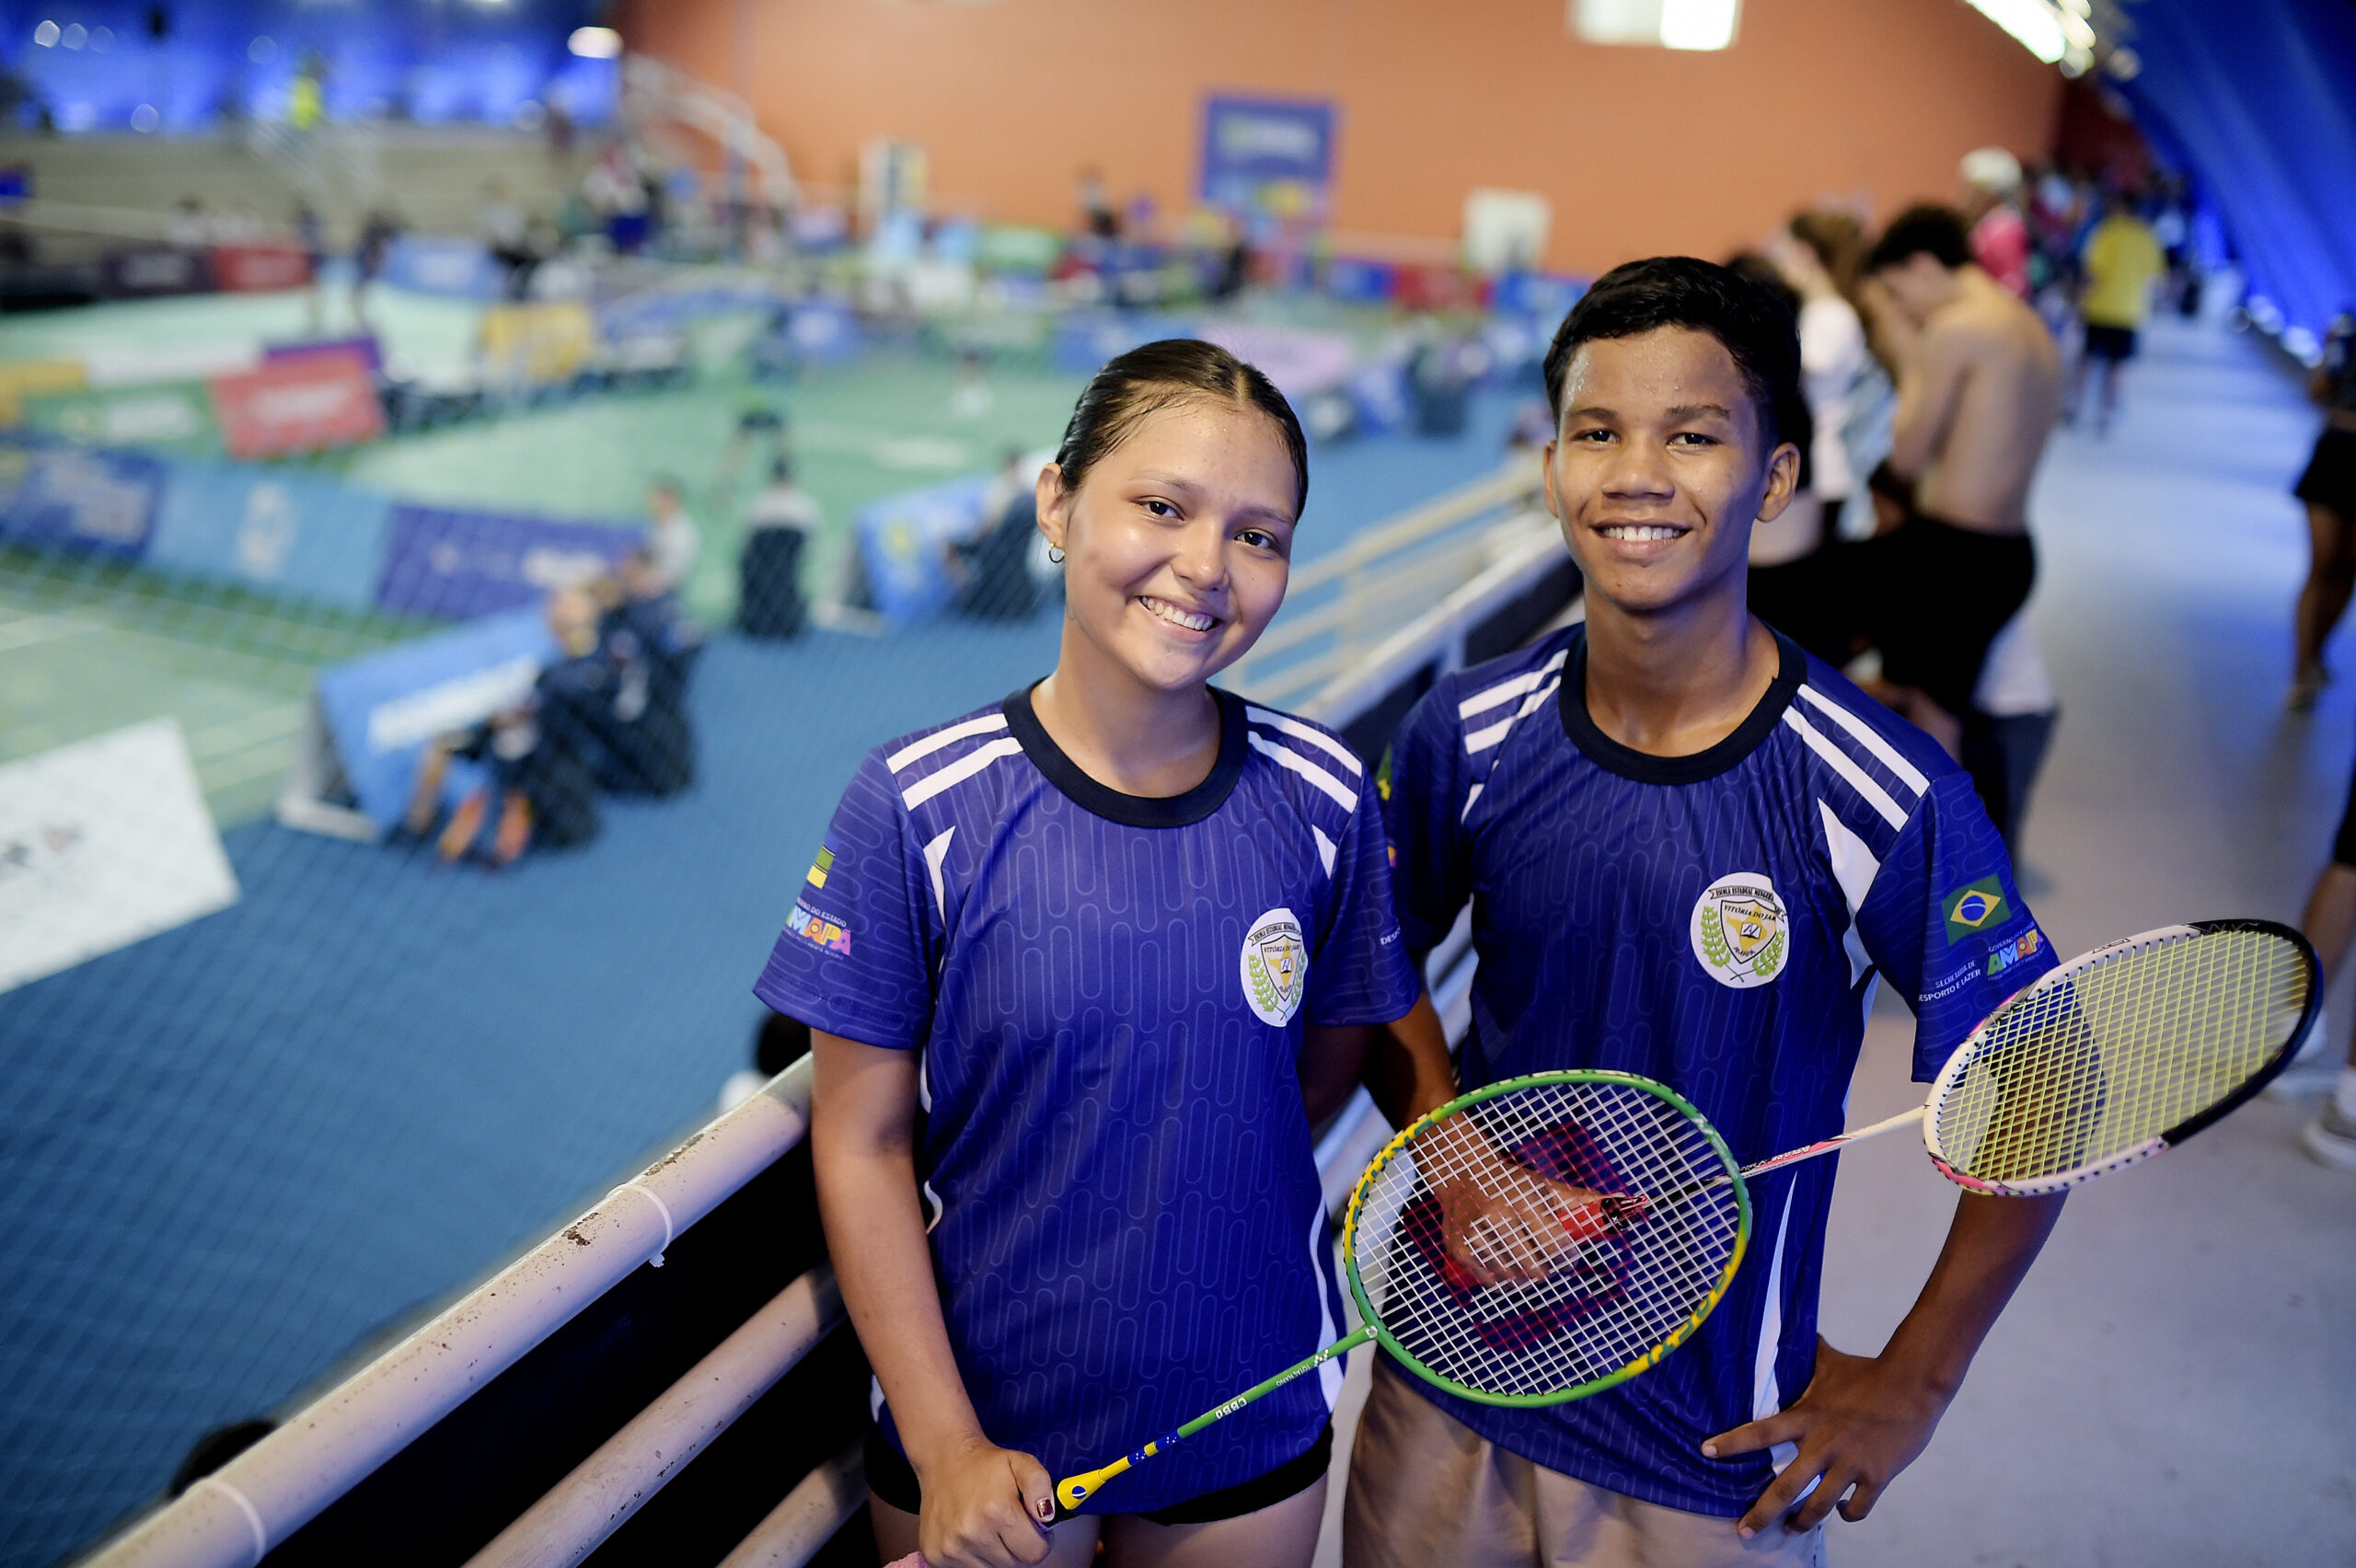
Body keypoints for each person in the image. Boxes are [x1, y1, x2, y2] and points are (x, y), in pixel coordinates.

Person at [1343, 257, 2066, 1568]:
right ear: (1553, 464)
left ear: (1776, 480)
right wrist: (1446, 1153)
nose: (1636, 474)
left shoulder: (1882, 791)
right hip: (1446, 1384)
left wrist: (1916, 1380)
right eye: (1596, 432)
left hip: (1711, 1451)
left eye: (1693, 436)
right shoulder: (1470, 733)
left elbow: (2046, 1083)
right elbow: (1370, 955)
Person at [762, 340, 1421, 1568]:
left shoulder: (1327, 794)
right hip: (988, 1432)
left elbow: (1318, 1077)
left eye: (1258, 534)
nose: (1206, 567)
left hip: (1248, 1402)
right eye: (1162, 507)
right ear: (1058, 502)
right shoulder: (916, 805)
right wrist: (947, 1444)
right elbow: (861, 1140)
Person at [1854, 205, 2062, 758]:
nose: (1904, 310)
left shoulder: (1957, 328)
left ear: (1923, 267)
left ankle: (1937, 844)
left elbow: (1908, 451)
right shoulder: (2030, 325)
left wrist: (1903, 342)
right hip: (2009, 550)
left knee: (1933, 724)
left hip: (1956, 553)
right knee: (1931, 702)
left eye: (1899, 294)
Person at [2288, 312, 2356, 710]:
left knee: (2348, 568)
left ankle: (2316, 652)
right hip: (2338, 452)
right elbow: (2316, 390)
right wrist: (2330, 354)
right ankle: (2301, 668)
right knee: (2322, 563)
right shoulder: (2346, 332)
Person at [2068, 188, 2165, 434]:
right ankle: (2106, 416)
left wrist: (2078, 299)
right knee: (2116, 367)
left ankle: (2077, 410)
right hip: (2130, 311)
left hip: (2099, 306)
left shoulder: (2107, 231)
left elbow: (2092, 271)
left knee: (2087, 360)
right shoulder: (2147, 237)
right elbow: (2156, 278)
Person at [740, 457, 822, 640]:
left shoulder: (761, 504)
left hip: (763, 568)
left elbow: (748, 538)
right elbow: (811, 544)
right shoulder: (806, 506)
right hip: (788, 569)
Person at [1959, 147, 2031, 301]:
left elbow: (2010, 293)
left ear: (1989, 195)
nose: (1963, 198)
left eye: (1969, 191)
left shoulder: (2002, 233)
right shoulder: (1990, 226)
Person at [642, 476, 699, 598]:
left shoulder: (682, 534)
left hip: (666, 593)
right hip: (650, 583)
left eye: (658, 499)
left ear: (671, 501)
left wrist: (645, 581)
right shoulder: (658, 524)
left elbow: (673, 575)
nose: (652, 504)